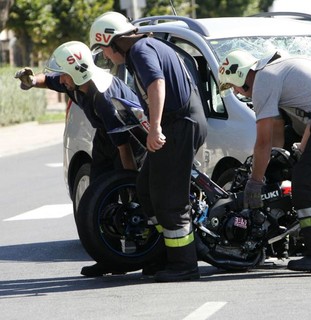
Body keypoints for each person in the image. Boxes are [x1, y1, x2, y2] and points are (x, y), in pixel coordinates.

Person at [218, 50, 311, 273]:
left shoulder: (263, 81)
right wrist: (302, 148)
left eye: (234, 86)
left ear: (240, 76)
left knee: (306, 185)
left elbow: (264, 142)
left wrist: (255, 182)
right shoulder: (282, 68)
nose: (238, 92)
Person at [89, 12, 207, 282]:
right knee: (145, 186)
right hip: (177, 124)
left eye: (104, 49)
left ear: (114, 41)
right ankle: (163, 255)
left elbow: (157, 84)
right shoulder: (143, 50)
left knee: (170, 198)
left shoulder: (141, 50)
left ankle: (184, 264)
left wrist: (155, 128)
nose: (106, 56)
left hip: (180, 124)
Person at [15, 40, 144, 277]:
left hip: (130, 141)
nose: (61, 79)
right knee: (97, 197)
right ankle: (108, 257)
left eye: (64, 74)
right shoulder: (75, 82)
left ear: (76, 72)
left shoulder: (105, 98)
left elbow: (124, 148)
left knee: (130, 201)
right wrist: (32, 81)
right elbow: (50, 80)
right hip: (106, 138)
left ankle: (139, 254)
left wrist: (132, 182)